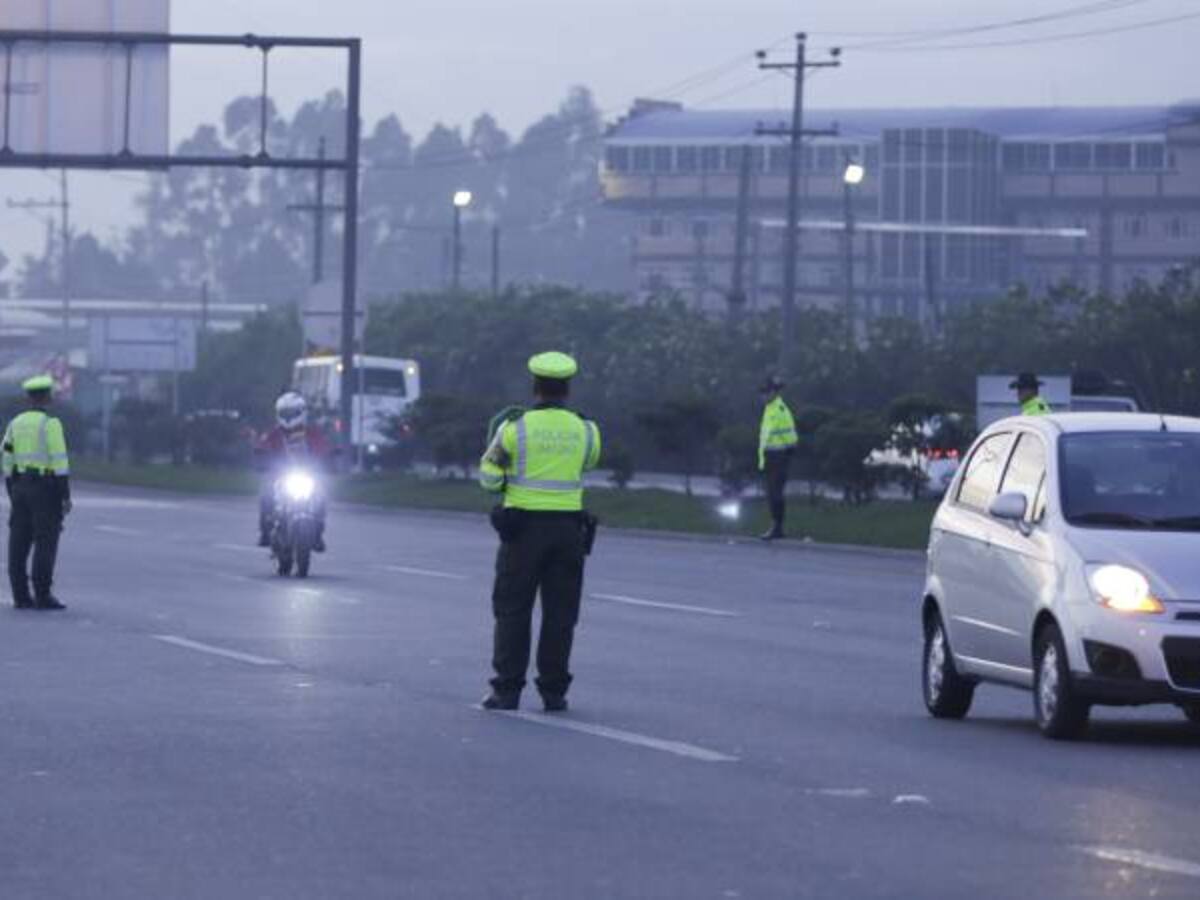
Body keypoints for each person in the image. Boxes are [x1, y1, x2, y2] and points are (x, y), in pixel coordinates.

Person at [478, 351, 601, 713]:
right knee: (561, 614)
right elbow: (590, 462)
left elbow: (489, 478)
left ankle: (507, 691)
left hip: (522, 531)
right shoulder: (587, 430)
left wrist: (505, 477)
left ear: (535, 387)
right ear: (568, 390)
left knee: (513, 610)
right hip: (568, 531)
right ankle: (554, 692)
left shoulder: (513, 428)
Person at [2, 374, 71, 610]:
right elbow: (60, 462)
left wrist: (12, 488)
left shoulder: (15, 423)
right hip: (45, 489)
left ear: (28, 398)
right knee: (45, 541)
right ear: (47, 397)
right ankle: (42, 595)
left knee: (18, 541)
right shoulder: (50, 424)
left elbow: (6, 457)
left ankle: (20, 596)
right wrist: (65, 495)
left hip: (20, 486)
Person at [254, 392, 332, 550]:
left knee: (321, 495)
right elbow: (262, 446)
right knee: (266, 494)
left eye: (293, 413)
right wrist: (261, 455)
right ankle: (265, 532)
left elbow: (324, 447)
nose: (289, 417)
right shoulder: (274, 434)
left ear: (302, 413)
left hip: (307, 474)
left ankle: (318, 533)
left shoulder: (312, 433)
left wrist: (330, 456)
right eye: (285, 413)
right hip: (280, 475)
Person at [757, 375, 798, 541]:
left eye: (766, 392)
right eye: (762, 393)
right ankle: (776, 527)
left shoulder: (780, 411)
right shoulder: (770, 409)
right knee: (772, 493)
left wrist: (785, 454)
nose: (763, 396)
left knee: (775, 494)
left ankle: (777, 527)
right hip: (770, 456)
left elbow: (791, 437)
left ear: (774, 393)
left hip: (779, 457)